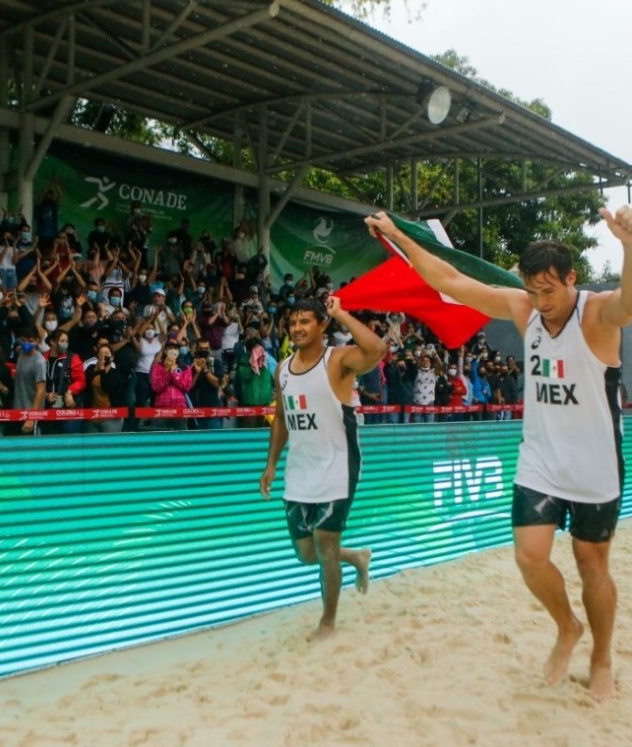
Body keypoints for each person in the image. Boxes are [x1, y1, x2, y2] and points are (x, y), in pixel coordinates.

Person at [365, 207, 632, 700]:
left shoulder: (596, 313)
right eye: (532, 290)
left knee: (592, 565)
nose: (541, 302)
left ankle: (601, 659)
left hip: (595, 464)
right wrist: (398, 234)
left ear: (571, 279)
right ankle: (567, 626)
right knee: (529, 558)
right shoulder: (524, 308)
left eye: (549, 291)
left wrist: (629, 245)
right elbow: (450, 280)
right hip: (540, 460)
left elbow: (629, 304)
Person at [259, 296, 385, 641]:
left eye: (305, 321)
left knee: (326, 547)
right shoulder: (282, 369)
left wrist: (341, 312)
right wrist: (271, 464)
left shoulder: (338, 360)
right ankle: (356, 557)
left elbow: (377, 349)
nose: (297, 328)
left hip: (337, 466)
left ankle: (327, 623)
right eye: (292, 322)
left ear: (322, 325)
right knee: (305, 553)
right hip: (299, 470)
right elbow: (281, 418)